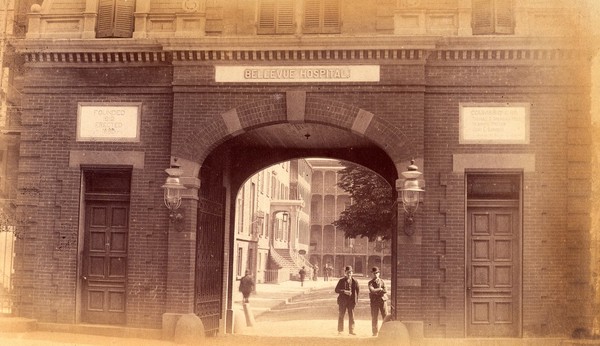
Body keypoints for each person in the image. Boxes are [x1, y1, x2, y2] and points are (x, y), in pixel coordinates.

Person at [334, 265, 360, 335]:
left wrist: (356, 300)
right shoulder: (341, 281)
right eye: (347, 272)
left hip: (351, 301)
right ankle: (340, 330)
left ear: (352, 273)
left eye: (350, 272)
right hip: (342, 301)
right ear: (345, 273)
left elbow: (357, 291)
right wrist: (344, 291)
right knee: (341, 315)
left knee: (351, 316)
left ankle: (351, 330)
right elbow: (336, 290)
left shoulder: (355, 281)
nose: (349, 274)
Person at [368, 266, 387, 336]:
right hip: (374, 301)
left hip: (383, 301)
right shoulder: (370, 283)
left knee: (385, 316)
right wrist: (380, 289)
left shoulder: (382, 281)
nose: (375, 274)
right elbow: (372, 290)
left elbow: (385, 291)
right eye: (374, 273)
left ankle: (385, 332)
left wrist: (377, 291)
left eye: (377, 273)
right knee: (374, 317)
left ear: (379, 273)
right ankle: (375, 332)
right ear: (372, 274)